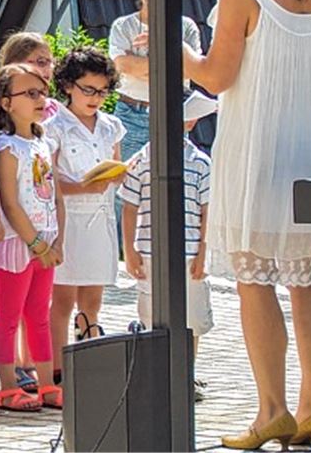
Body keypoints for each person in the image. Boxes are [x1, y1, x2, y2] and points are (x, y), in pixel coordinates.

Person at [182, 0, 311, 449]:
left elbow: (217, 77)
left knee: (255, 280)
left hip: (254, 156)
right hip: (307, 156)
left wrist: (177, 53)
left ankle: (270, 409)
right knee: (307, 280)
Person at [121, 91, 215, 403]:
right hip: (150, 252)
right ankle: (160, 375)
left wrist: (203, 252)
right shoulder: (141, 161)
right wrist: (130, 250)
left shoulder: (201, 163)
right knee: (152, 315)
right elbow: (130, 207)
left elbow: (207, 211)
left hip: (189, 253)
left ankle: (186, 373)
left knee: (192, 319)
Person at [43, 48, 125, 383]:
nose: (95, 98)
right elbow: (46, 180)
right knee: (62, 299)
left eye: (102, 91)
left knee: (92, 298)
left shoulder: (111, 126)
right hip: (69, 221)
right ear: (68, 85)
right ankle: (56, 368)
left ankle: (88, 359)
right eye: (88, 89)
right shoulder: (53, 128)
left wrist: (116, 175)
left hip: (100, 220)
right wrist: (81, 187)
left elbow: (117, 166)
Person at [0, 63, 65, 413]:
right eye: (30, 93)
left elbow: (56, 196)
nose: (40, 99)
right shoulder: (6, 147)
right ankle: (8, 387)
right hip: (20, 245)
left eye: (42, 92)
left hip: (46, 243)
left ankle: (47, 384)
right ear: (6, 103)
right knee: (9, 315)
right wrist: (35, 243)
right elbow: (10, 202)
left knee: (39, 315)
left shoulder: (44, 143)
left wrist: (57, 241)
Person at [109, 0, 201, 161]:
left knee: (175, 177)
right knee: (127, 177)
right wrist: (172, 62)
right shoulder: (123, 26)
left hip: (172, 113)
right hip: (130, 115)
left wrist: (143, 64)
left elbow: (191, 70)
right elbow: (122, 65)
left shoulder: (186, 27)